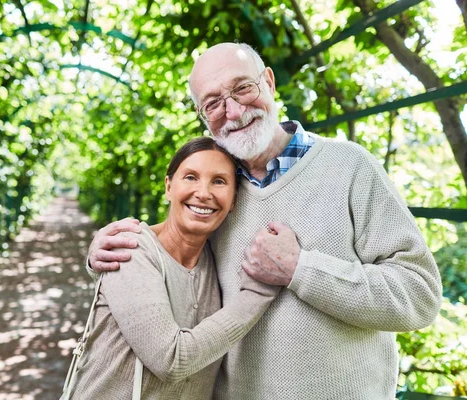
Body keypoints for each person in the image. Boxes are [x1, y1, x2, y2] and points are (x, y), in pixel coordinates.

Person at [86, 42, 443, 399]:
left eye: (242, 88)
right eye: (213, 103)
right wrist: (107, 251)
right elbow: (171, 254)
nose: (234, 110)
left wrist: (300, 269)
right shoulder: (219, 193)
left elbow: (421, 295)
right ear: (203, 116)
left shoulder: (350, 166)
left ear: (269, 82)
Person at [63, 137, 279, 399]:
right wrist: (259, 292)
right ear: (168, 186)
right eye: (190, 177)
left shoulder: (220, 257)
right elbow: (172, 360)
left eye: (219, 181)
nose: (203, 192)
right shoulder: (130, 247)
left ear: (234, 200)